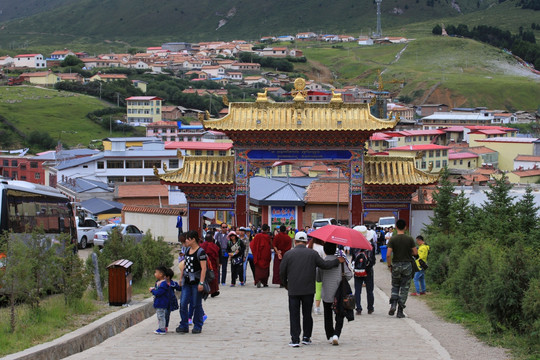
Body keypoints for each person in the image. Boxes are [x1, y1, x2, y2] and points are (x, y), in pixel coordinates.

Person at [279, 231, 345, 347]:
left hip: (293, 289)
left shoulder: (288, 254)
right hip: (308, 289)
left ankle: (295, 339)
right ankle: (306, 337)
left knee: (294, 314)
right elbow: (324, 265)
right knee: (307, 314)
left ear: (295, 241)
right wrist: (336, 261)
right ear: (306, 242)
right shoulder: (313, 254)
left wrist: (286, 284)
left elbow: (282, 272)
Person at [317, 241, 352, 345]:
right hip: (339, 293)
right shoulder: (340, 262)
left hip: (327, 292)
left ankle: (330, 336)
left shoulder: (321, 263)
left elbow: (318, 279)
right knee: (340, 314)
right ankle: (336, 334)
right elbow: (349, 275)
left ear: (324, 250)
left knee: (327, 315)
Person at [386, 219, 417, 318]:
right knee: (404, 288)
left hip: (396, 265)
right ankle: (400, 310)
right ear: (405, 227)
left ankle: (393, 304)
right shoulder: (410, 239)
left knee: (395, 286)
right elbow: (415, 253)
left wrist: (389, 265)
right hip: (407, 266)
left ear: (396, 227)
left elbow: (388, 255)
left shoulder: (393, 239)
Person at [177, 230, 207, 334]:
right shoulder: (187, 250)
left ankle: (198, 325)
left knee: (196, 304)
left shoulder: (200, 252)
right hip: (187, 281)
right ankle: (184, 324)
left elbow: (204, 268)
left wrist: (201, 283)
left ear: (193, 239)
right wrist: (181, 278)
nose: (186, 241)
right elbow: (184, 265)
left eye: (187, 239)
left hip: (196, 281)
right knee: (183, 303)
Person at [352, 225, 376, 315]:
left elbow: (353, 257)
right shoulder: (371, 245)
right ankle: (370, 308)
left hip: (357, 270)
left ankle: (358, 308)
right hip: (368, 270)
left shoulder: (355, 245)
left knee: (357, 290)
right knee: (370, 290)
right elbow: (373, 259)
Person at [149, 265, 169, 335]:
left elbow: (159, 293)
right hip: (158, 302)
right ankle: (161, 327)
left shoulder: (163, 284)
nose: (155, 274)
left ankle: (162, 329)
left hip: (161, 302)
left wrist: (152, 291)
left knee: (161, 316)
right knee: (159, 316)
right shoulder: (158, 282)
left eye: (156, 272)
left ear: (160, 274)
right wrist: (154, 289)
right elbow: (157, 290)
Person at [308, 238, 325, 315]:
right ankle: (317, 308)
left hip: (308, 270)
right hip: (319, 270)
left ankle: (309, 306)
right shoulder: (322, 248)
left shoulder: (308, 246)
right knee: (318, 289)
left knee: (309, 289)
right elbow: (324, 260)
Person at [200, 233, 220, 297]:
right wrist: (218, 265)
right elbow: (216, 256)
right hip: (212, 264)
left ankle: (204, 291)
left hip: (203, 264)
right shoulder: (213, 246)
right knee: (213, 277)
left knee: (204, 277)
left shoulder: (202, 245)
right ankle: (213, 291)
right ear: (212, 239)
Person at [165, 268, 180, 332]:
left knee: (167, 314)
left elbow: (179, 288)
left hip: (170, 302)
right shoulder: (161, 283)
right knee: (161, 314)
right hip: (163, 301)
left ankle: (165, 326)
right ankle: (161, 324)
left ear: (168, 277)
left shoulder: (173, 284)